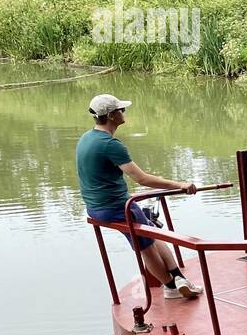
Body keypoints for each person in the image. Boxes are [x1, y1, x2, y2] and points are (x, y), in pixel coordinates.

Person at [77, 94, 203, 299]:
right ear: (110, 116)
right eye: (121, 110)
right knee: (146, 246)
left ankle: (178, 278)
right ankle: (171, 287)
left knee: (152, 232)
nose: (123, 113)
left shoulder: (86, 138)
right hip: (116, 207)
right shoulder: (111, 145)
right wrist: (180, 185)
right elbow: (141, 178)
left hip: (95, 207)